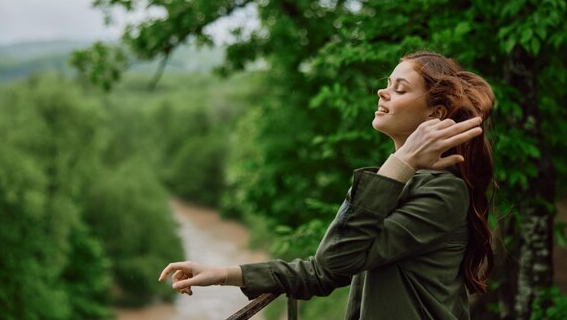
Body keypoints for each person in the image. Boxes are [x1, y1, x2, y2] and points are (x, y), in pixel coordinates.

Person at [159, 51, 495, 320]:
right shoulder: (403, 181)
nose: (382, 91)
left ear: (433, 114)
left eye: (400, 89)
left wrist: (397, 164)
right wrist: (221, 273)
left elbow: (337, 257)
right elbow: (323, 270)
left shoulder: (443, 192)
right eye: (387, 83)